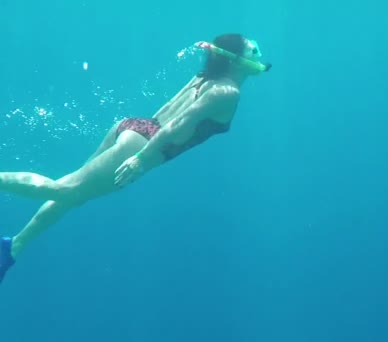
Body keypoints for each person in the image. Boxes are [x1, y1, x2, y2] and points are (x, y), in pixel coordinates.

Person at [0, 33, 272, 283]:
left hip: (133, 127)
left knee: (74, 193)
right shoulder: (228, 92)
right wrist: (142, 158)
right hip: (145, 144)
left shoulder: (205, 76)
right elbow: (178, 125)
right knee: (66, 190)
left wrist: (213, 50)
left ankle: (13, 247)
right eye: (254, 50)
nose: (260, 55)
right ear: (236, 60)